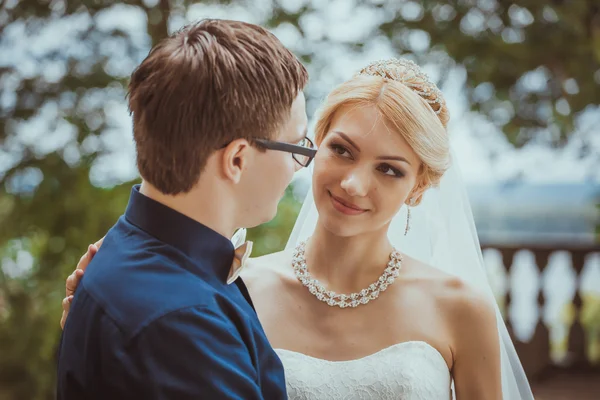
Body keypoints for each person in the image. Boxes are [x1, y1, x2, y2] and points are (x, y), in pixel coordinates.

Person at [61, 58, 534, 399]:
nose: (352, 183)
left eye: (389, 169)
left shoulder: (460, 309)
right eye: (341, 150)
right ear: (310, 147)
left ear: (418, 188)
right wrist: (109, 304)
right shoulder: (235, 290)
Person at [56, 18, 314, 399]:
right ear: (238, 159)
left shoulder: (127, 251)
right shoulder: (182, 323)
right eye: (297, 148)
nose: (298, 166)